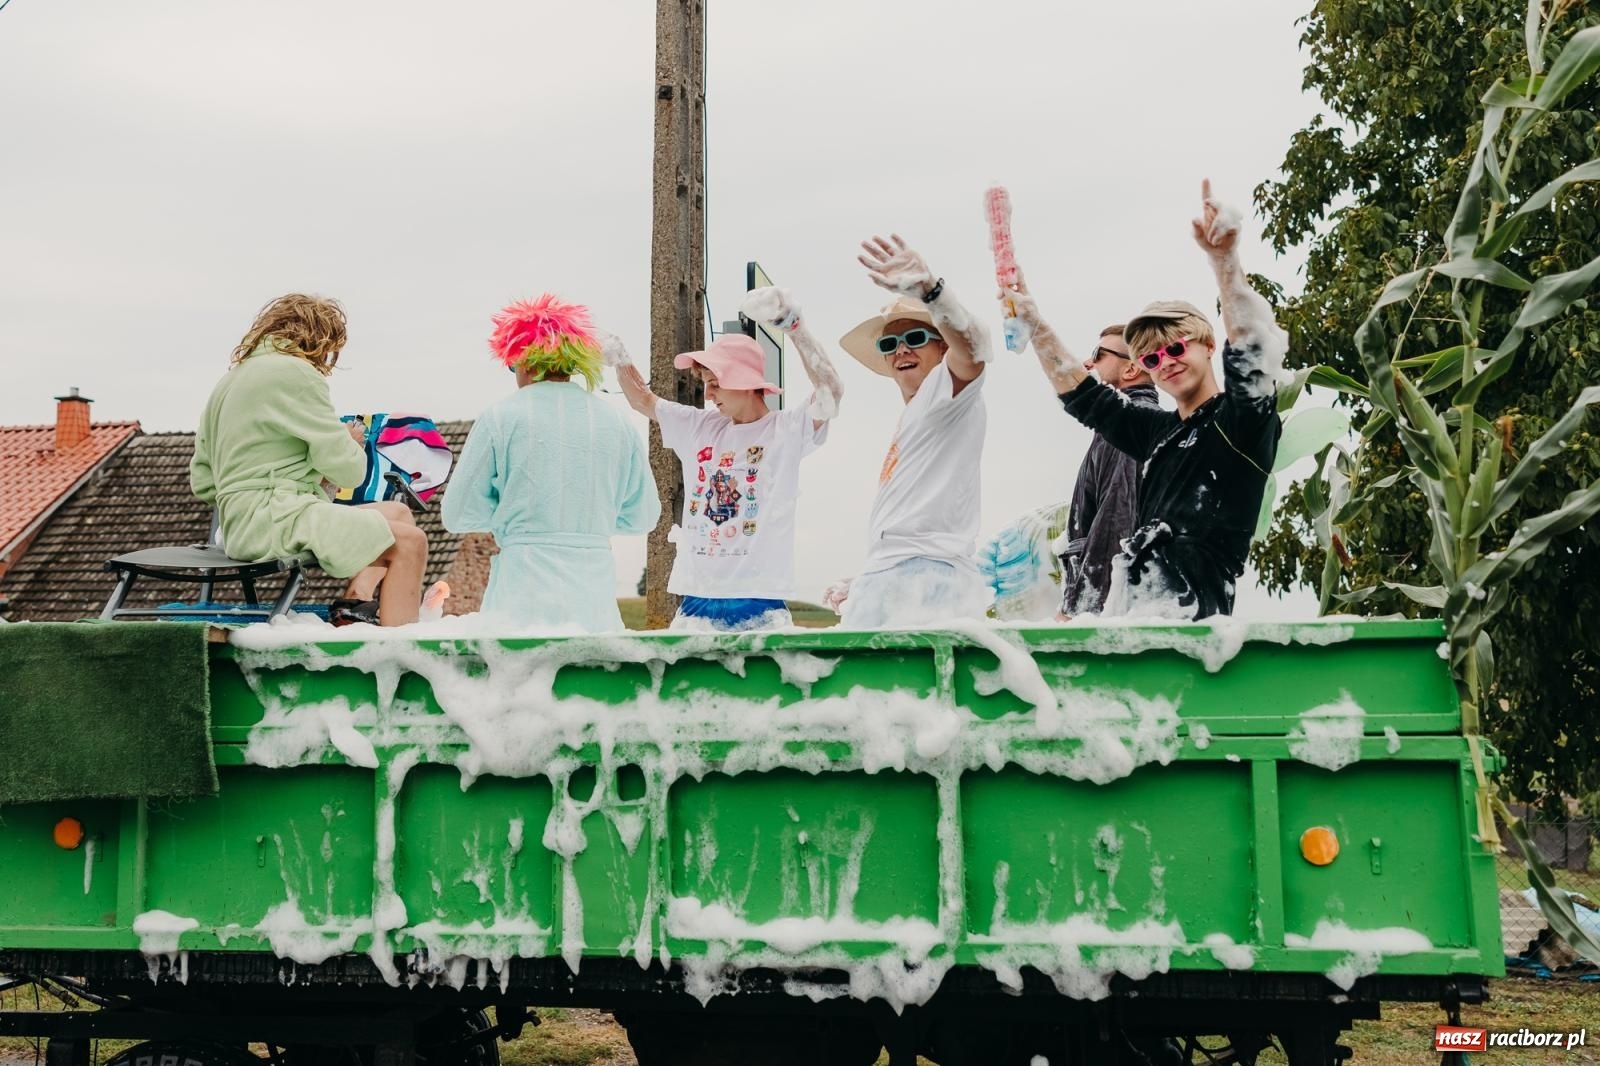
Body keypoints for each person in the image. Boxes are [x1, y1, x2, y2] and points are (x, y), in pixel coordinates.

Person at [1005, 182, 1285, 619]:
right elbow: (1084, 396)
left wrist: (1224, 263)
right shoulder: (1159, 433)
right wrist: (1035, 323)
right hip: (1134, 622)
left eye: (1176, 348)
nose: (1165, 362)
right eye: (1152, 358)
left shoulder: (1239, 423)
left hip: (1197, 630)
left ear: (1207, 345)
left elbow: (1251, 355)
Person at [192, 294, 428, 627]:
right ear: (320, 339)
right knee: (410, 543)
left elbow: (203, 483)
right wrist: (350, 442)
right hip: (275, 517)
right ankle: (400, 660)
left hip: (238, 524)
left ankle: (355, 601)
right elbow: (349, 472)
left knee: (399, 514)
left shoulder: (227, 384)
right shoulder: (297, 373)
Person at [616, 286, 841, 631]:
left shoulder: (786, 429)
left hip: (759, 597)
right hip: (695, 597)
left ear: (746, 381)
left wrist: (794, 327)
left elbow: (830, 392)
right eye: (706, 383)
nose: (707, 394)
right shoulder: (699, 426)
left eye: (715, 382)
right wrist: (618, 357)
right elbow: (642, 400)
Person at [442, 294, 659, 632]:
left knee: (517, 681)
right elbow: (643, 516)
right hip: (594, 601)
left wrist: (510, 513)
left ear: (523, 359)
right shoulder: (617, 423)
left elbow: (457, 513)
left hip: (520, 594)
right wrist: (591, 518)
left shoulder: (501, 417)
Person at [830, 234, 993, 627]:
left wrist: (931, 292)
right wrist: (871, 577)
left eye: (916, 338)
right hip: (900, 572)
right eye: (890, 343)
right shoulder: (916, 413)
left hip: (927, 574)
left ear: (941, 349)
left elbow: (974, 351)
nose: (902, 350)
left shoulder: (945, 392)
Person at [1057, 324, 1160, 618]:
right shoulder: (1138, 422)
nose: (1088, 363)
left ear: (1130, 369)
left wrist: (1079, 610)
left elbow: (1115, 521)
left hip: (1103, 608)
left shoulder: (1129, 426)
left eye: (1099, 354)